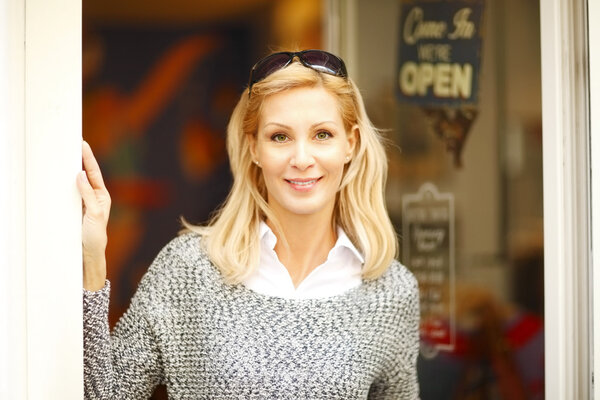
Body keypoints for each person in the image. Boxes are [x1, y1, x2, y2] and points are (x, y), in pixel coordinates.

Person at [78, 50, 420, 399]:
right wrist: (93, 258)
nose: (302, 159)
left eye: (322, 135)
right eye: (280, 137)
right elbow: (103, 394)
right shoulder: (186, 269)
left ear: (351, 143)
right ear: (254, 147)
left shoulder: (392, 291)